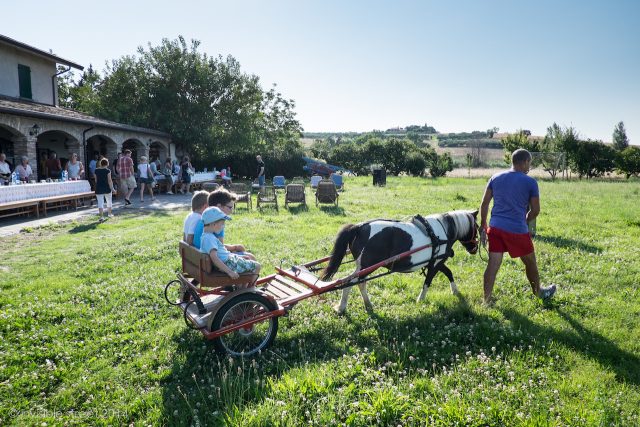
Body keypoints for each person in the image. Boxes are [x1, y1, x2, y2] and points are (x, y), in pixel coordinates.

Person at [479, 148, 556, 305]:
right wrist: (526, 220)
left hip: (494, 228)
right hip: (516, 230)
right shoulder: (530, 182)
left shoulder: (495, 177)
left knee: (493, 264)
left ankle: (486, 301)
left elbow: (485, 203)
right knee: (530, 262)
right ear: (525, 162)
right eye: (530, 163)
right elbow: (536, 210)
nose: (529, 167)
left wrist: (483, 225)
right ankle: (539, 292)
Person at [200, 206, 261, 283]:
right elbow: (214, 257)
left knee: (247, 258)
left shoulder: (205, 236)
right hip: (229, 264)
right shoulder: (210, 239)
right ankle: (250, 288)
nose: (223, 226)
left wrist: (238, 256)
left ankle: (243, 289)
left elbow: (222, 254)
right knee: (257, 266)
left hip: (229, 261)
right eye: (222, 224)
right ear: (214, 224)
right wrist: (230, 272)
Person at [192, 188, 256, 260]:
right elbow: (220, 248)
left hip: (200, 258)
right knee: (251, 257)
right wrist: (234, 247)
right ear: (219, 207)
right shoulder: (217, 223)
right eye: (230, 207)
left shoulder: (204, 218)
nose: (232, 211)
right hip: (211, 260)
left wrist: (234, 248)